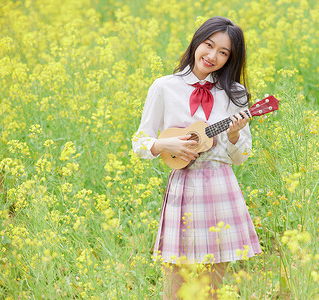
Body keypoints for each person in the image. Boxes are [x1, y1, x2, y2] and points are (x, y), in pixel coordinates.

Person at [132, 16, 261, 299]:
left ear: (231, 59)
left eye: (224, 53)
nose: (213, 56)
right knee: (177, 280)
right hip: (184, 186)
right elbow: (140, 142)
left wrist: (236, 135)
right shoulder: (164, 86)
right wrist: (167, 145)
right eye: (209, 45)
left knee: (212, 284)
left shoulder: (235, 93)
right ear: (196, 42)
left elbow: (241, 157)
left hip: (221, 187)